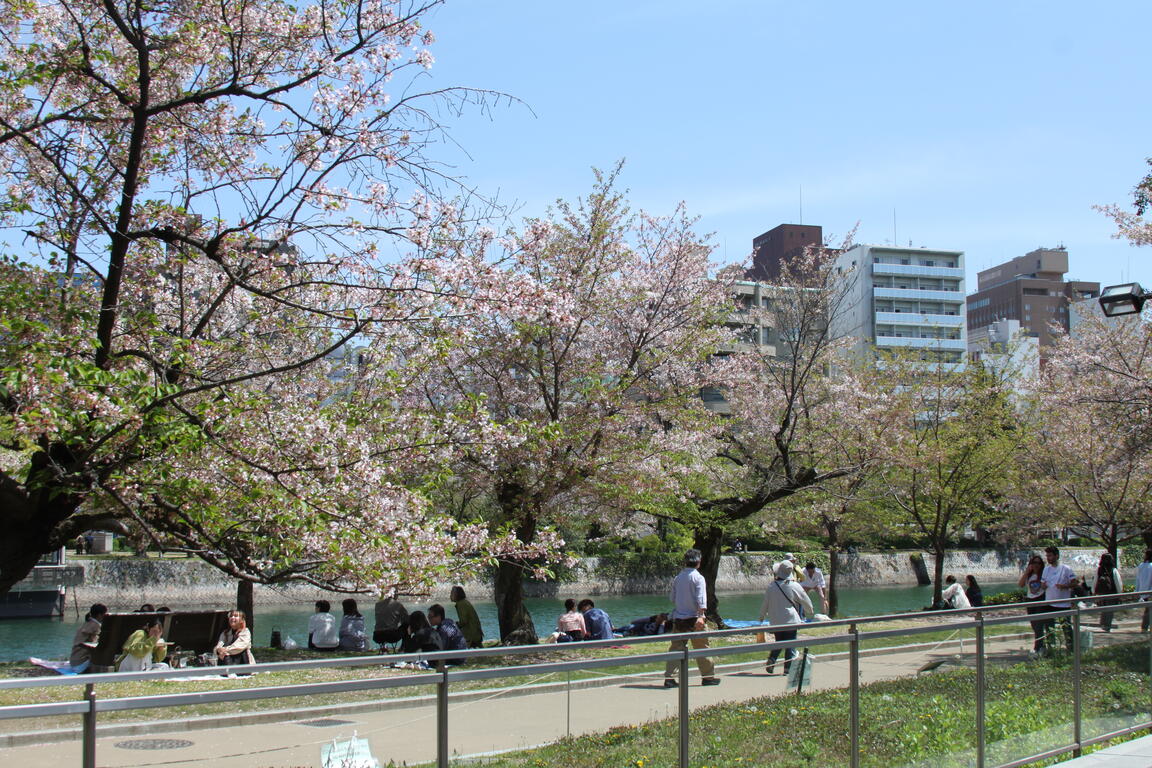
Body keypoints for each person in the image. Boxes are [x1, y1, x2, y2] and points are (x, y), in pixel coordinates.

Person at [662, 549, 720, 688]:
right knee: (702, 648)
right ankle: (707, 677)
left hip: (679, 618)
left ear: (685, 561)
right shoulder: (698, 578)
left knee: (676, 649)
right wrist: (701, 616)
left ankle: (669, 677)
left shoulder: (678, 577)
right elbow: (701, 599)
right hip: (695, 619)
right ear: (698, 562)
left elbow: (673, 598)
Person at [759, 560, 813, 675]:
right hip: (790, 620)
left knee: (779, 641)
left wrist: (762, 616)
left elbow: (765, 604)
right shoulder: (794, 586)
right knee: (790, 644)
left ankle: (772, 659)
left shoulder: (771, 586)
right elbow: (805, 600)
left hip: (776, 620)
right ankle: (787, 668)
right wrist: (810, 611)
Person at [1041, 545, 1077, 651]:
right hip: (1049, 603)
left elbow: (1075, 583)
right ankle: (1051, 649)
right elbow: (1042, 585)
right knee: (1049, 627)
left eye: (1050, 556)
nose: (1048, 558)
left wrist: (1065, 586)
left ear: (1056, 556)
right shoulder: (1046, 570)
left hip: (1063, 604)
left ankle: (1071, 648)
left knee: (1066, 627)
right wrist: (1044, 586)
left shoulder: (1066, 569)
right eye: (1047, 556)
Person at [1019, 554, 1048, 654]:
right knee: (1034, 624)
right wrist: (1026, 572)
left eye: (1038, 563)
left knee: (1039, 625)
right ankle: (1041, 645)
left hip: (1040, 599)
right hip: (1030, 600)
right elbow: (1021, 584)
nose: (1036, 565)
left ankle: (1038, 647)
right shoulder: (1029, 575)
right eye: (1034, 563)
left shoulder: (1044, 574)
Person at [69, 603, 107, 673]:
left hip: (73, 662)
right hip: (80, 665)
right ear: (99, 615)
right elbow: (96, 646)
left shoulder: (87, 623)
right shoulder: (96, 627)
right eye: (105, 614)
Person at [1093, 552, 1123, 632]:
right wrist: (1120, 594)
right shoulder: (1113, 570)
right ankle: (1107, 627)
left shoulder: (1099, 570)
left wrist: (1094, 592)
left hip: (1101, 594)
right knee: (1110, 611)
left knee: (1104, 610)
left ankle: (1103, 625)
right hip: (1111, 593)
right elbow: (1118, 582)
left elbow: (1095, 581)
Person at [1137, 549, 1152, 632]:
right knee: (1149, 610)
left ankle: (1145, 627)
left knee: (1148, 609)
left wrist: (1137, 591)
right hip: (1150, 591)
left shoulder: (1141, 565)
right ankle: (1145, 627)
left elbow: (1138, 579)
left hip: (1143, 591)